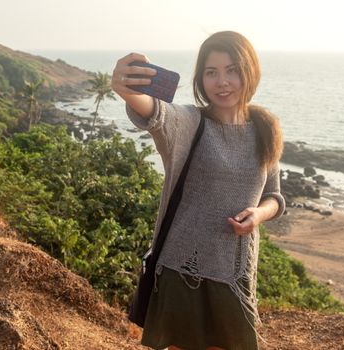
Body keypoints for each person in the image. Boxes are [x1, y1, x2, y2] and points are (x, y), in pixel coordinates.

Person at [111, 31, 285, 350]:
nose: (222, 82)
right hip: (183, 268)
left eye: (232, 70)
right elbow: (156, 113)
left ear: (251, 71)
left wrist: (258, 214)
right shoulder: (190, 122)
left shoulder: (265, 129)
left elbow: (274, 195)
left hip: (235, 271)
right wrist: (125, 86)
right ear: (200, 79)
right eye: (211, 72)